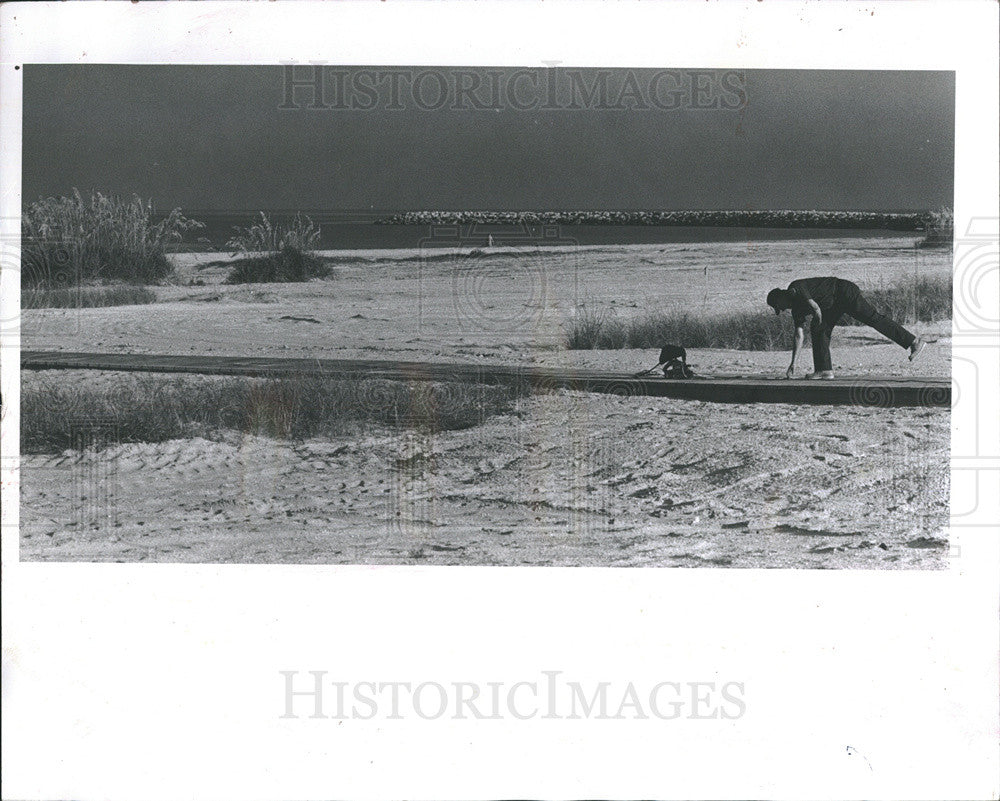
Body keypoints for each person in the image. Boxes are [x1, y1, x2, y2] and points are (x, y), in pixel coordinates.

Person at [766, 277, 925, 379]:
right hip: (832, 304)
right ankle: (824, 370)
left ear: (780, 296)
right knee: (819, 330)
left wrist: (817, 318)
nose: (782, 309)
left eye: (779, 306)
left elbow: (815, 308)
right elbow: (798, 336)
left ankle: (913, 341)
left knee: (873, 318)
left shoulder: (795, 287)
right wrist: (794, 363)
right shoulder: (796, 310)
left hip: (843, 291)